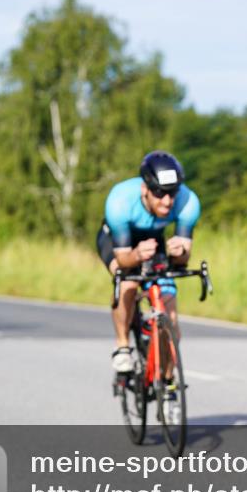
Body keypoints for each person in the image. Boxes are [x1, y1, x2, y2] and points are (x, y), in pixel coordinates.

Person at [96, 151, 200, 378]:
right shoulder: (120, 201)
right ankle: (122, 346)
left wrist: (179, 252)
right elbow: (124, 260)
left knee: (170, 320)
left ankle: (168, 382)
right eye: (159, 193)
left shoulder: (187, 202)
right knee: (127, 283)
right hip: (119, 243)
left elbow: (183, 259)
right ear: (145, 189)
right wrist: (135, 256)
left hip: (155, 242)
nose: (167, 200)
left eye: (172, 193)